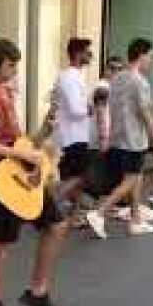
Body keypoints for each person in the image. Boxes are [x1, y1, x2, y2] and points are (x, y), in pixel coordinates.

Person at [0, 38, 69, 306]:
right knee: (2, 241)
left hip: (20, 174)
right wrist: (16, 152)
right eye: (10, 65)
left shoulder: (6, 94)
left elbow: (22, 142)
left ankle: (37, 291)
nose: (14, 71)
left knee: (56, 225)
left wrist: (44, 130)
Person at [85, 39, 153, 239]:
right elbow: (145, 113)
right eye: (150, 57)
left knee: (134, 178)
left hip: (118, 138)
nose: (151, 61)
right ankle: (99, 213)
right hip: (134, 140)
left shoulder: (117, 79)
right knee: (132, 179)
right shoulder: (140, 82)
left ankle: (135, 219)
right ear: (142, 55)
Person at [53, 38, 95, 213]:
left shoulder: (73, 76)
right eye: (88, 52)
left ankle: (75, 215)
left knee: (74, 176)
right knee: (80, 176)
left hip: (76, 134)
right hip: (73, 136)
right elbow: (75, 109)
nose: (91, 56)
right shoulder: (70, 77)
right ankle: (51, 202)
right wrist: (90, 108)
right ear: (78, 54)